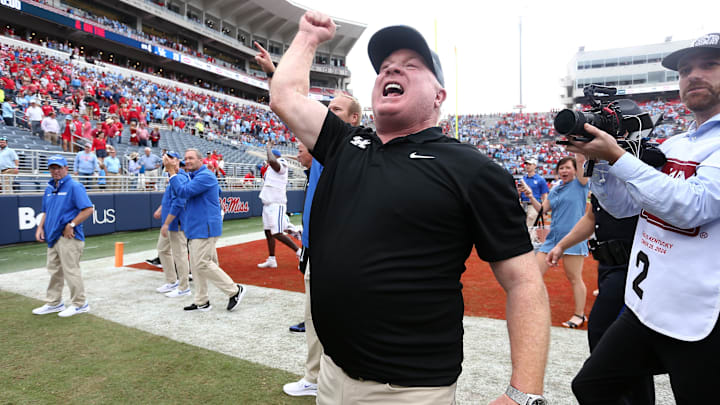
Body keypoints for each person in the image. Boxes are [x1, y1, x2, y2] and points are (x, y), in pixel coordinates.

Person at [270, 12, 550, 404]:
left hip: (410, 390)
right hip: (333, 376)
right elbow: (284, 96)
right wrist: (307, 36)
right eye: (384, 68)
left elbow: (524, 282)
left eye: (409, 66)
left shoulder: (472, 169)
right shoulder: (346, 145)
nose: (391, 71)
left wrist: (524, 393)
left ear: (439, 96)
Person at [567, 33, 720, 403]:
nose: (693, 76)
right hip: (647, 304)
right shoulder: (676, 144)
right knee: (591, 387)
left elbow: (693, 207)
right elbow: (624, 207)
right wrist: (602, 163)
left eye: (709, 65)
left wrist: (620, 157)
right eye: (685, 70)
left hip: (703, 316)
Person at [165, 148, 246, 312]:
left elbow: (183, 192)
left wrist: (171, 172)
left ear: (200, 160)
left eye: (191, 158)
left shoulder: (205, 175)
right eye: (186, 158)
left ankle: (234, 290)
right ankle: (202, 300)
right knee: (196, 265)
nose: (187, 161)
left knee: (202, 262)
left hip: (205, 226)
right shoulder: (196, 176)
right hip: (196, 226)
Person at [519, 155, 589, 329]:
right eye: (561, 168)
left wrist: (578, 155)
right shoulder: (556, 188)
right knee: (533, 274)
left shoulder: (580, 184)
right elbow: (543, 210)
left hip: (573, 238)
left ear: (575, 170)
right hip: (552, 240)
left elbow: (581, 163)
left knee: (574, 278)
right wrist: (529, 195)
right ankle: (533, 310)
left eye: (568, 167)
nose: (564, 171)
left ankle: (579, 315)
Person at [31, 155, 93, 317]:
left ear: (66, 168)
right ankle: (54, 302)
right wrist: (40, 227)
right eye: (52, 168)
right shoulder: (49, 188)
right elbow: (46, 211)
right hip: (53, 236)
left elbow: (88, 209)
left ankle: (80, 304)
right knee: (54, 271)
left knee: (71, 270)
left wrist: (71, 225)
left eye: (59, 167)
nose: (56, 171)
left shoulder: (74, 186)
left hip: (69, 237)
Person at [256, 144, 301, 269]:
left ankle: (299, 252)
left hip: (277, 203)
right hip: (267, 204)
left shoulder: (281, 162)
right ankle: (272, 259)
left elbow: (272, 161)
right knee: (268, 232)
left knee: (277, 232)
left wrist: (268, 147)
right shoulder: (270, 169)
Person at [154, 151, 191, 298]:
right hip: (169, 223)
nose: (166, 161)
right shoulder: (172, 177)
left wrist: (166, 223)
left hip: (177, 223)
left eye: (170, 158)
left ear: (176, 161)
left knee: (180, 255)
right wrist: (160, 209)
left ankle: (184, 287)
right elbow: (170, 198)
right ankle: (172, 281)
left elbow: (179, 202)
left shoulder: (180, 177)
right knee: (162, 250)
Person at [518, 157, 549, 234]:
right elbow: (518, 194)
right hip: (523, 204)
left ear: (535, 166)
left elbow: (545, 195)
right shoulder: (522, 179)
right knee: (522, 225)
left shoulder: (540, 179)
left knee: (530, 226)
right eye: (526, 164)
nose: (527, 166)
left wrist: (544, 210)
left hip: (534, 205)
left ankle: (530, 242)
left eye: (530, 164)